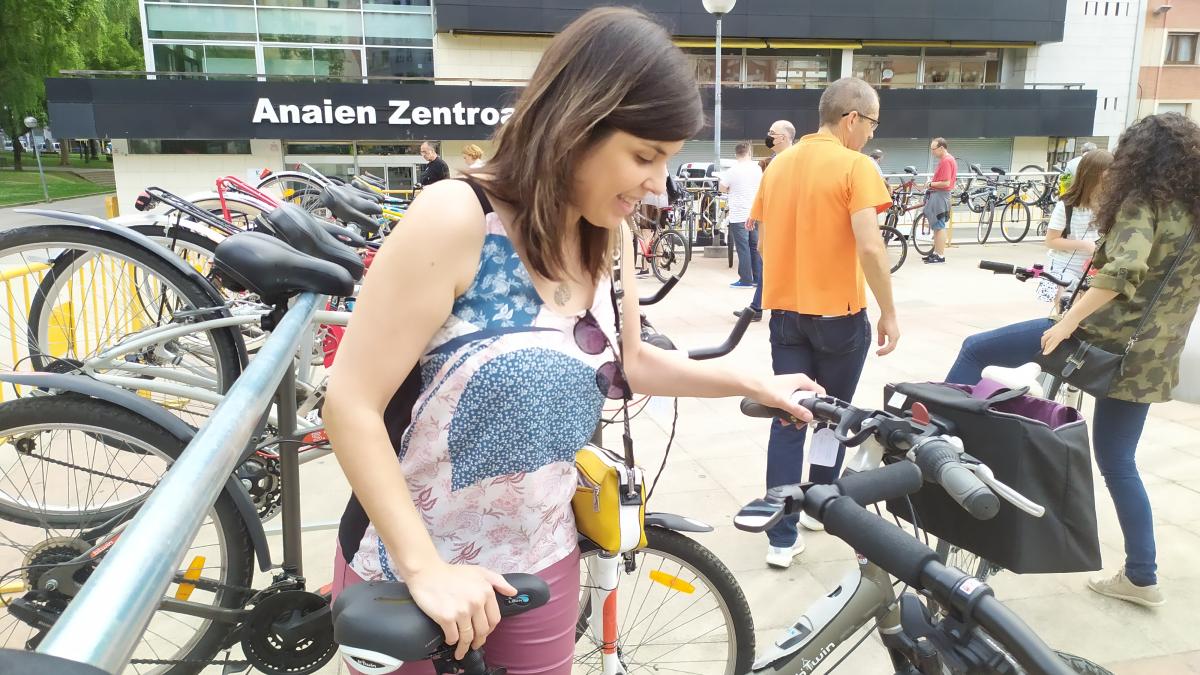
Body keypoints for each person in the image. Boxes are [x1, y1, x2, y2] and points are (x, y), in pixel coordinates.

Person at [322, 8, 824, 673]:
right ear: (576, 123)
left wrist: (749, 380)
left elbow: (635, 362)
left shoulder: (605, 237)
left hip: (542, 559)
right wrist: (426, 568)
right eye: (644, 155)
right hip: (413, 574)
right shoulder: (456, 218)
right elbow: (349, 402)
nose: (657, 184)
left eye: (666, 160)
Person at [945, 113, 1200, 607]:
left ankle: (937, 438)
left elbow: (1124, 268)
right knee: (1119, 463)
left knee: (977, 348)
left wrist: (1064, 323)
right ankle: (1141, 576)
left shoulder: (1144, 202)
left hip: (1098, 342)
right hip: (1150, 359)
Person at [748, 77, 899, 568]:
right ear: (852, 118)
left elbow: (763, 242)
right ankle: (818, 502)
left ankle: (780, 534)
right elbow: (871, 245)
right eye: (872, 123)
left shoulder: (778, 166)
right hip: (838, 314)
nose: (872, 135)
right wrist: (889, 311)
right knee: (833, 415)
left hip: (786, 312)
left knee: (789, 416)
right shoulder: (856, 166)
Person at [734, 119, 795, 322]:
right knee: (770, 264)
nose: (768, 136)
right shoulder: (777, 159)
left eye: (772, 133)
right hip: (777, 222)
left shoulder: (790, 160)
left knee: (771, 263)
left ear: (783, 137)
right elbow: (766, 192)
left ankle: (760, 307)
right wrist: (755, 213)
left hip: (784, 224)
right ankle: (758, 307)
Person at [1034, 150, 1113, 304]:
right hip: (1064, 269)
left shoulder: (1111, 205)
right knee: (1066, 314)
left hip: (1095, 269)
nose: (1112, 179)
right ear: (1093, 175)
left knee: (1087, 321)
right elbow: (1051, 241)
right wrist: (1085, 245)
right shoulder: (1066, 205)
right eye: (1108, 174)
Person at [720, 141, 763, 289]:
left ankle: (745, 279)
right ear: (749, 152)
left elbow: (722, 187)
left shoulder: (732, 170)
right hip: (755, 213)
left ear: (736, 154)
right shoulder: (758, 169)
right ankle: (757, 279)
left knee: (743, 248)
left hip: (739, 214)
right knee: (754, 246)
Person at [922, 137, 957, 264]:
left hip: (940, 195)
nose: (932, 152)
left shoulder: (946, 161)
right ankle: (936, 253)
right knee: (937, 226)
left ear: (941, 148)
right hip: (941, 195)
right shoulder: (948, 159)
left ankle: (940, 255)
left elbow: (946, 182)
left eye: (934, 149)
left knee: (939, 226)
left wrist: (931, 183)